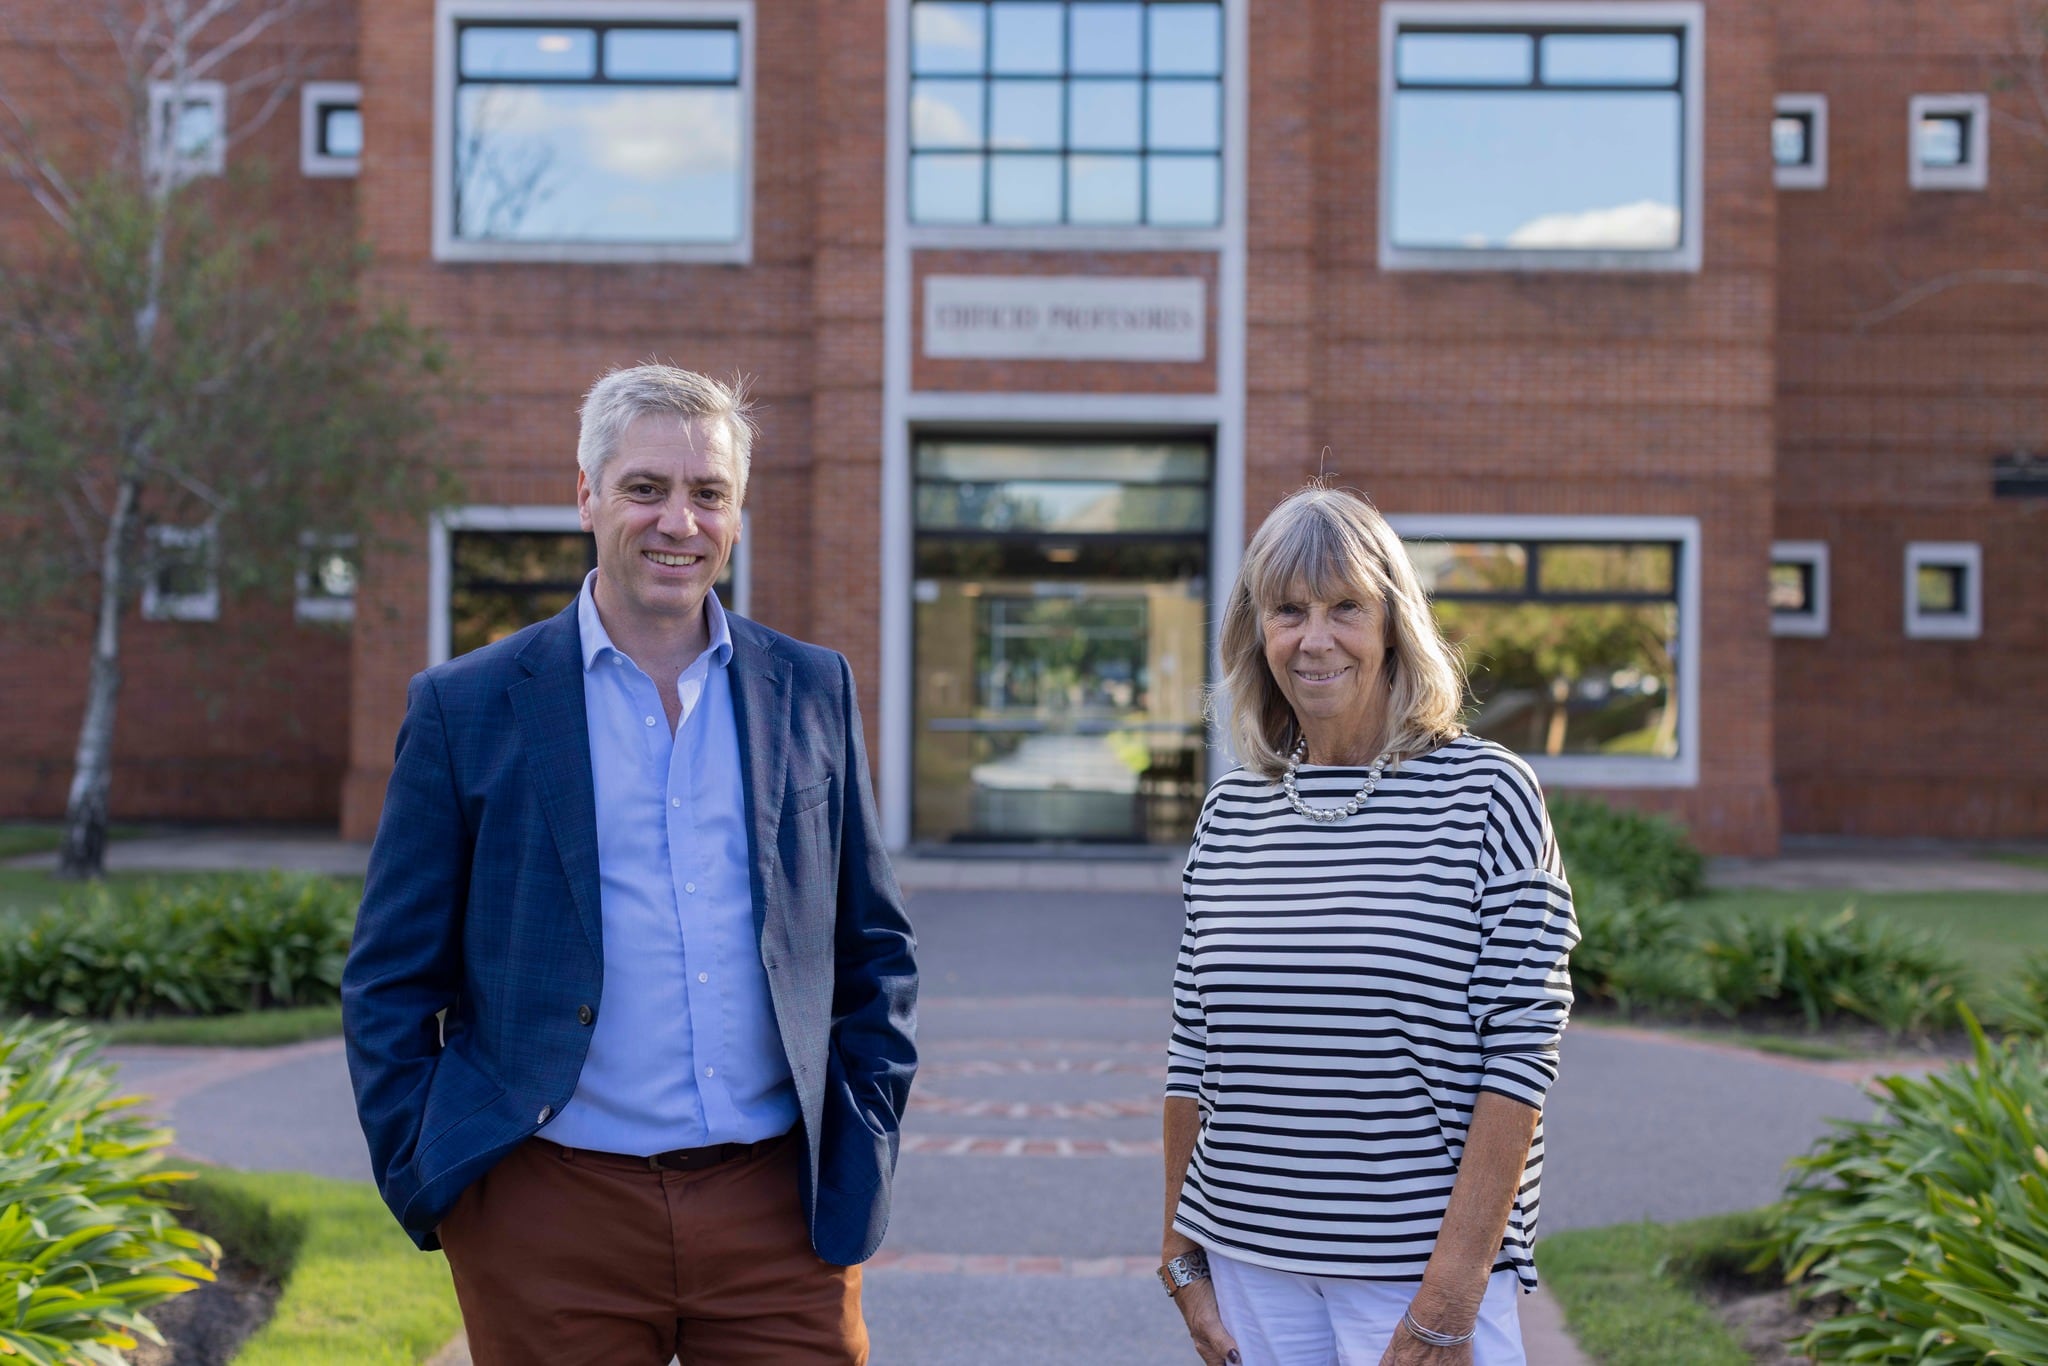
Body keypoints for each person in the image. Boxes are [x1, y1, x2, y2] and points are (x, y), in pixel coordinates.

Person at [342, 364, 918, 1365]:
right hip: (547, 1211)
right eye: (645, 488)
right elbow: (390, 978)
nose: (678, 524)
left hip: (776, 1216)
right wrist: (436, 1174)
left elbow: (873, 948)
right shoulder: (466, 706)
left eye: (708, 494)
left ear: (736, 512)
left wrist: (861, 1144)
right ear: (586, 495)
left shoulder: (812, 689)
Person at [1159, 485, 1578, 1366]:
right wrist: (1181, 1251)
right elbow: (1193, 1050)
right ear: (1255, 632)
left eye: (1345, 607)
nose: (1315, 639)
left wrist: (1452, 1295)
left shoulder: (1487, 795)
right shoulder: (1232, 813)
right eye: (1288, 611)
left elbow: (1520, 1057)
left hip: (1416, 1278)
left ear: (1393, 620)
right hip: (1250, 1264)